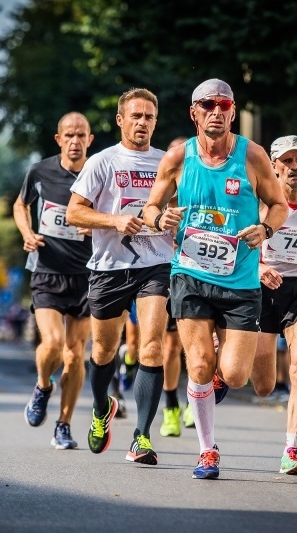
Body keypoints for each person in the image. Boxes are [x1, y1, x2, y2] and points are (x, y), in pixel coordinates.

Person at [142, 79, 288, 479]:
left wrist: (266, 230)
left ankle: (208, 384)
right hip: (189, 273)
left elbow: (279, 205)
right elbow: (152, 205)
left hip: (240, 280)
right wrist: (159, 218)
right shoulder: (176, 158)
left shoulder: (253, 156)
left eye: (224, 104)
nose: (216, 111)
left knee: (237, 375)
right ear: (194, 112)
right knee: (201, 363)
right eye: (207, 104)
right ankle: (207, 451)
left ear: (233, 110)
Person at [66, 88, 174, 465]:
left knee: (153, 346)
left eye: (149, 117)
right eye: (136, 116)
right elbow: (74, 213)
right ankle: (101, 408)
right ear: (120, 120)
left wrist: (173, 217)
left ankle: (141, 437)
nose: (142, 123)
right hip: (109, 267)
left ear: (155, 122)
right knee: (103, 351)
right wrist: (114, 220)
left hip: (156, 263)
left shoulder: (168, 164)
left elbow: (179, 208)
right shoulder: (103, 161)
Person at [13, 111, 94, 450]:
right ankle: (43, 385)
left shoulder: (99, 172)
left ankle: (63, 424)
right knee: (52, 343)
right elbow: (20, 205)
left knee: (75, 355)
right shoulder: (40, 171)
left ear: (90, 140)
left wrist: (97, 223)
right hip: (47, 271)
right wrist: (27, 232)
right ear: (59, 139)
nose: (75, 142)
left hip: (88, 274)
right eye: (69, 136)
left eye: (81, 136)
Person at [248, 135, 297, 476]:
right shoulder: (261, 202)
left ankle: (291, 450)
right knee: (263, 386)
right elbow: (235, 244)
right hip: (264, 292)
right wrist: (260, 268)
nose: (294, 167)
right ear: (274, 166)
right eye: (287, 161)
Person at [159, 135, 196, 436]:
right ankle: (171, 407)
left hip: (200, 276)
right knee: (171, 349)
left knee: (199, 347)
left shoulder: (199, 191)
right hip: (169, 276)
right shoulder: (161, 194)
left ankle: (191, 401)